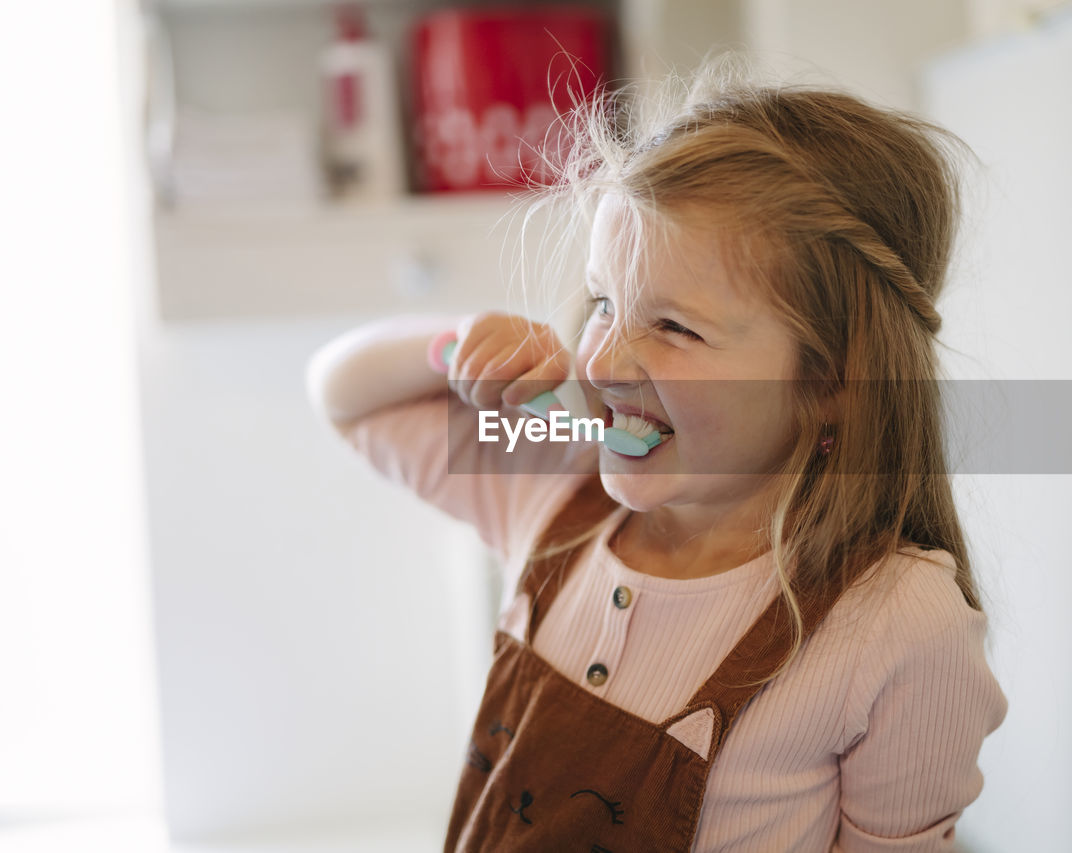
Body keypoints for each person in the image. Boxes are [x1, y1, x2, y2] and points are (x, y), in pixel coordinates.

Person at [305, 56, 1008, 852]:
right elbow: (344, 394)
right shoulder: (555, 482)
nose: (601, 361)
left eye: (675, 327)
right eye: (604, 301)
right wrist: (459, 345)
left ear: (831, 380)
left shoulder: (896, 623)